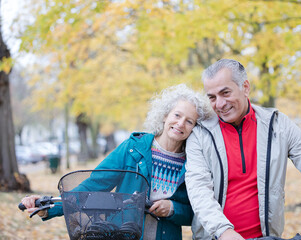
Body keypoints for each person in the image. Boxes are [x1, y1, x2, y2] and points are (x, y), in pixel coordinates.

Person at [184, 59, 301, 240]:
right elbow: (199, 189)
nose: (219, 104)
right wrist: (224, 232)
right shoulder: (200, 135)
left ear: (245, 87)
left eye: (225, 93)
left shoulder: (277, 124)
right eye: (212, 97)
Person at [21, 84, 213, 240]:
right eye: (177, 115)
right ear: (165, 116)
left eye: (190, 121)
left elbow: (197, 212)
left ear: (195, 128)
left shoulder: (194, 163)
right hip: (123, 235)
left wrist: (173, 209)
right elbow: (93, 186)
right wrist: (48, 208)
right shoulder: (133, 148)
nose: (180, 123)